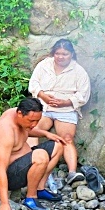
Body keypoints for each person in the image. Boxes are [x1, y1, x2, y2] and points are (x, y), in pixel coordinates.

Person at [0, 98, 65, 210]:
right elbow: (0, 168)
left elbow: (27, 129)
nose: (34, 124)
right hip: (10, 175)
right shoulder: (6, 130)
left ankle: (39, 189)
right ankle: (31, 197)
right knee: (41, 156)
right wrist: (4, 203)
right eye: (31, 121)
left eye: (37, 121)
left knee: (58, 145)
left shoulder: (20, 116)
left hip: (25, 165)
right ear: (20, 114)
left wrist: (46, 134)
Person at [29, 38, 90, 185]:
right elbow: (33, 83)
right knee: (32, 130)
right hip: (43, 105)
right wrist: (43, 95)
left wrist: (66, 102)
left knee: (67, 138)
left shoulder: (79, 71)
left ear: (72, 54)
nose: (61, 57)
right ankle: (31, 163)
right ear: (53, 53)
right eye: (57, 53)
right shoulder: (44, 65)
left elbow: (83, 95)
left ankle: (72, 173)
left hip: (66, 108)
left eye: (65, 54)